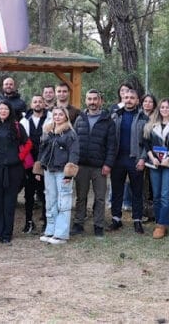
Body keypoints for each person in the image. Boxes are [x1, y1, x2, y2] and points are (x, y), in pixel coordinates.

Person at [69, 88, 116, 237]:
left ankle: (98, 225)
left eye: (95, 99)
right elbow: (74, 142)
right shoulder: (80, 119)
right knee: (81, 197)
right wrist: (73, 162)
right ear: (86, 100)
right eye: (90, 99)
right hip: (81, 165)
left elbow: (112, 146)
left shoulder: (108, 121)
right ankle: (78, 223)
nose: (92, 102)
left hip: (99, 166)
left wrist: (108, 164)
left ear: (100, 101)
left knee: (100, 198)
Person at [0, 100, 31, 244]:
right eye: (0, 109)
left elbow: (28, 143)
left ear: (10, 111)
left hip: (14, 170)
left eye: (6, 109)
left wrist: (19, 157)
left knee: (9, 202)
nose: (3, 111)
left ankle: (6, 234)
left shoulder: (17, 126)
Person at [36, 106, 79, 245]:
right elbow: (42, 151)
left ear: (66, 117)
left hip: (62, 171)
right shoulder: (48, 132)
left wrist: (69, 172)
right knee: (50, 200)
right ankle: (51, 230)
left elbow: (74, 153)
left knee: (63, 201)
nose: (58, 117)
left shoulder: (70, 134)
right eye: (55, 114)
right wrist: (39, 168)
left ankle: (61, 234)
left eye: (61, 114)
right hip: (49, 170)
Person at [111, 88, 149, 235]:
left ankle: (137, 220)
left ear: (137, 100)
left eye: (132, 98)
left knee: (137, 191)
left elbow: (148, 142)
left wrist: (143, 159)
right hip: (117, 159)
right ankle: (116, 219)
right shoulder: (115, 116)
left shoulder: (143, 118)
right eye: (126, 97)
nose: (128, 100)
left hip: (135, 159)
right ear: (122, 99)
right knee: (117, 190)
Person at [143, 99, 169, 239]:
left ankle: (162, 224)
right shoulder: (152, 124)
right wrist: (152, 158)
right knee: (157, 195)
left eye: (167, 107)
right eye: (162, 107)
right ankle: (159, 221)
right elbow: (146, 143)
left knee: (166, 195)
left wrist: (168, 158)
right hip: (155, 163)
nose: (164, 109)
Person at [19, 95, 49, 233]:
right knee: (29, 194)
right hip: (29, 163)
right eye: (35, 101)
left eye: (40, 101)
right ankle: (29, 222)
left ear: (44, 104)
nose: (37, 104)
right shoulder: (24, 121)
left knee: (45, 194)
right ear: (31, 104)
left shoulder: (50, 118)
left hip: (45, 162)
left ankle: (47, 222)